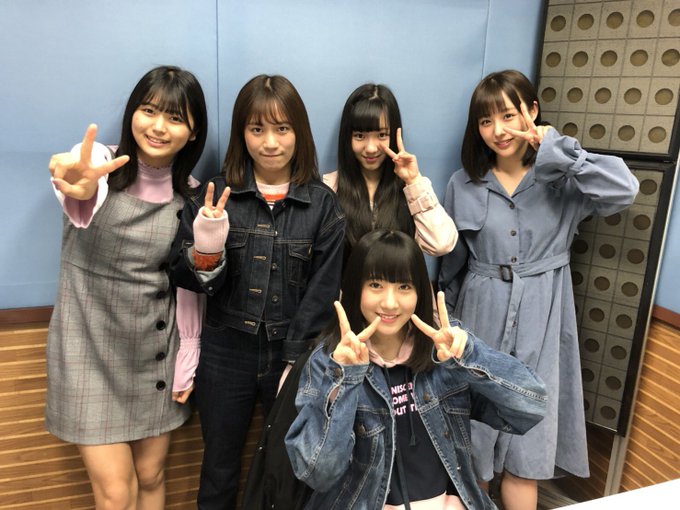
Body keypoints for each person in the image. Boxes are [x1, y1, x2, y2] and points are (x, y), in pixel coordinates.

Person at [438, 69, 639, 510]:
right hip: (480, 316)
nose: (498, 130)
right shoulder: (462, 183)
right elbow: (450, 267)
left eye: (508, 115)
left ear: (532, 111)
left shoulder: (563, 178)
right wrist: (449, 327)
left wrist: (559, 149)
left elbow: (625, 190)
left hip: (544, 317)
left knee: (526, 454)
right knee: (474, 447)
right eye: (486, 121)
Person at [168, 74, 346, 509]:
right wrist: (207, 245)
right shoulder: (216, 195)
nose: (270, 142)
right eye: (256, 129)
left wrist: (294, 359)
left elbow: (324, 290)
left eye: (282, 128)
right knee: (219, 468)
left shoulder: (321, 203)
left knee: (289, 469)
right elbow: (183, 276)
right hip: (225, 352)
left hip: (293, 354)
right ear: (241, 133)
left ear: (298, 132)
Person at [284, 230, 546, 509]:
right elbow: (317, 473)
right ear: (354, 288)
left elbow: (530, 409)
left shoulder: (444, 349)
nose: (390, 303)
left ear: (419, 292)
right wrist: (345, 380)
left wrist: (471, 356)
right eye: (375, 284)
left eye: (404, 287)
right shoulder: (329, 361)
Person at [46, 65, 208, 509]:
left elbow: (188, 286)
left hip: (154, 350)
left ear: (193, 132)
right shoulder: (99, 164)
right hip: (87, 349)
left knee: (151, 475)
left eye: (175, 117)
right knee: (116, 495)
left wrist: (189, 355)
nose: (158, 127)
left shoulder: (191, 196)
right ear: (132, 112)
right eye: (149, 110)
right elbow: (79, 188)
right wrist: (74, 181)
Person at [324, 83, 457, 261]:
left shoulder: (411, 191)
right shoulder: (330, 189)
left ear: (394, 135)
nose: (371, 148)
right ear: (347, 138)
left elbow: (441, 244)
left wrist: (414, 181)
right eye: (360, 136)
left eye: (381, 135)